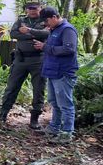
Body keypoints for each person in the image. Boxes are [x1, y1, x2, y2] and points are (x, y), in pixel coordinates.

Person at [0, 0, 49, 129]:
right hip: (20, 59)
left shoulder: (45, 20)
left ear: (40, 8)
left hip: (38, 60)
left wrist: (28, 31)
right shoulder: (21, 20)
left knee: (39, 90)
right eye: (30, 8)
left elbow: (47, 34)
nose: (32, 10)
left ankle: (35, 119)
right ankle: (2, 115)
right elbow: (13, 34)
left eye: (35, 8)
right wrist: (33, 35)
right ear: (26, 9)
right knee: (12, 87)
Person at [33, 7, 79, 144]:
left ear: (54, 17)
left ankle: (67, 133)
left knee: (65, 104)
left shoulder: (67, 30)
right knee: (54, 102)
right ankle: (54, 127)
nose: (45, 24)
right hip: (53, 72)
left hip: (63, 73)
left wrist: (45, 47)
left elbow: (69, 49)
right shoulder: (53, 30)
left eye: (46, 21)